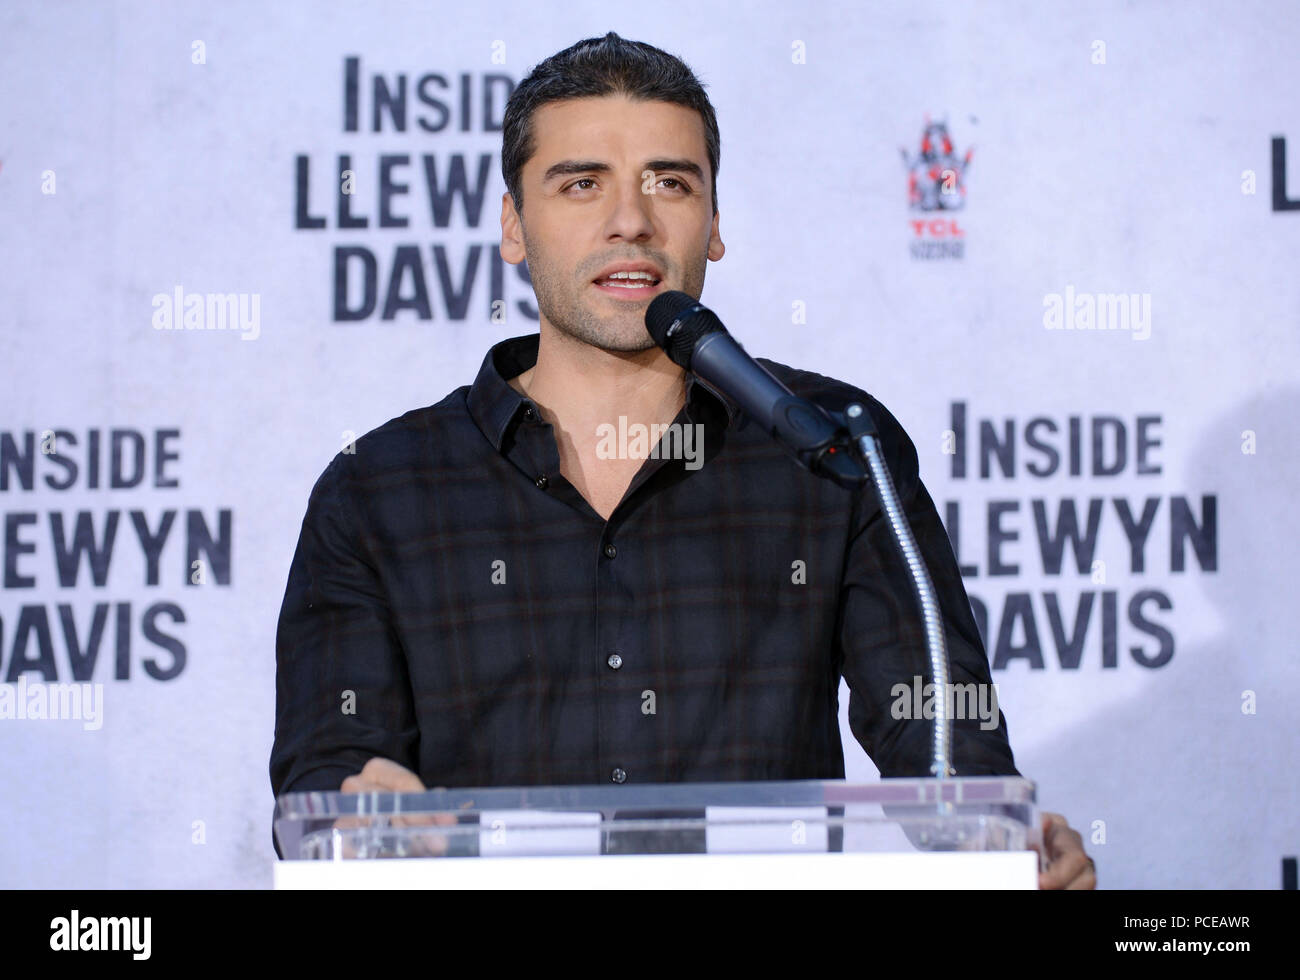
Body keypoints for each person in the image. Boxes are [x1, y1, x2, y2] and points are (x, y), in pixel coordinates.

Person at [270, 31, 1095, 889]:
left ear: (713, 224)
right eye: (582, 183)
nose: (631, 220)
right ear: (513, 226)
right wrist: (365, 814)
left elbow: (940, 742)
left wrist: (1000, 845)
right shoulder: (377, 488)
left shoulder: (830, 442)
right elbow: (324, 780)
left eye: (670, 182)